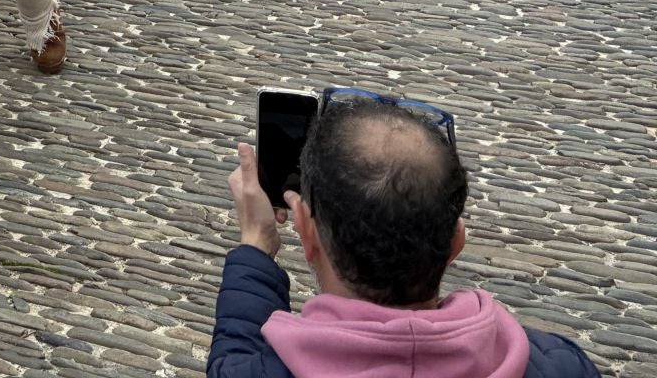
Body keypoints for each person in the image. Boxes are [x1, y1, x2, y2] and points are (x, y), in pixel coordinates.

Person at [214, 96, 599, 378]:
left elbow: (234, 355)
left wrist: (256, 246)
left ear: (304, 230)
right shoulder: (562, 365)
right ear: (456, 242)